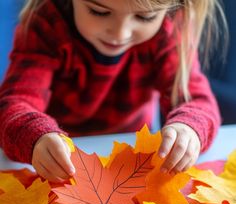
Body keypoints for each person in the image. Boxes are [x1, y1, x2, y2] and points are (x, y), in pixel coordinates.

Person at [0, 0, 227, 182]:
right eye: (98, 11)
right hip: (58, 161)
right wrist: (35, 137)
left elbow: (198, 100)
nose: (120, 33)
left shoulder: (170, 29)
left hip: (131, 159)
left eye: (144, 17)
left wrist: (189, 129)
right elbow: (13, 104)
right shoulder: (47, 24)